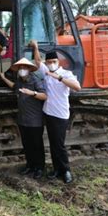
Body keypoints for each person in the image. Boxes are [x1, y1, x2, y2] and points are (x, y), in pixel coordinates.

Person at [30, 40, 81, 184]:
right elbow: (38, 61)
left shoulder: (66, 73)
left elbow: (77, 87)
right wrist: (36, 48)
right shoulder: (45, 72)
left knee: (59, 144)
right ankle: (57, 169)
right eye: (49, 62)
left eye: (54, 61)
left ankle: (66, 171)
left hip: (60, 114)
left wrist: (59, 78)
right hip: (48, 112)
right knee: (53, 143)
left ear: (58, 62)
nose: (51, 63)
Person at [0, 58, 47, 179]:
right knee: (27, 145)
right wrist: (4, 78)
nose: (22, 70)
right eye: (20, 68)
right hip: (23, 119)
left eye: (24, 67)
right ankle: (30, 166)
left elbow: (44, 96)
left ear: (29, 69)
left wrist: (32, 93)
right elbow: (14, 86)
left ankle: (39, 168)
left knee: (37, 145)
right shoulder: (20, 81)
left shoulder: (35, 80)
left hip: (35, 120)